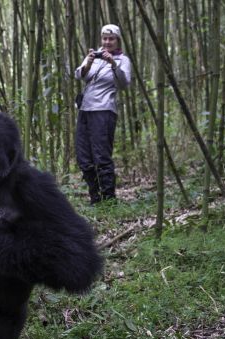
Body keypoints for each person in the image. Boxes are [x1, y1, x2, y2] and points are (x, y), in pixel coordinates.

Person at [75, 24, 131, 204]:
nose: (107, 42)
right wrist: (90, 61)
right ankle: (95, 198)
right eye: (104, 38)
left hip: (104, 111)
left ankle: (109, 199)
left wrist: (113, 64)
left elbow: (123, 83)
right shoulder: (95, 56)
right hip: (85, 110)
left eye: (111, 39)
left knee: (101, 157)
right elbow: (80, 75)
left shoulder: (123, 60)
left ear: (117, 40)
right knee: (84, 158)